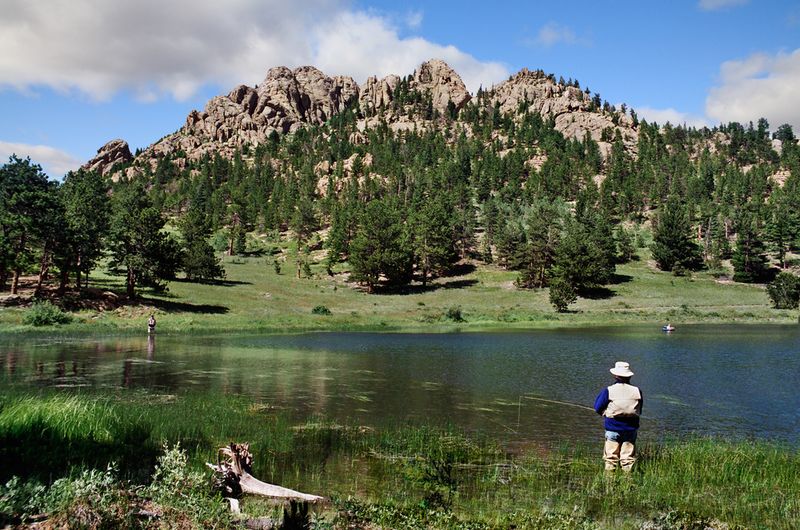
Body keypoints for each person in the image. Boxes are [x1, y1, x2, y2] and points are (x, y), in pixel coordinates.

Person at [593, 361, 642, 472]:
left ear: (615, 375)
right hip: (631, 429)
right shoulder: (637, 391)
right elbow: (639, 410)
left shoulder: (609, 390)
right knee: (628, 460)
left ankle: (609, 484)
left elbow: (597, 407)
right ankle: (628, 482)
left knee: (610, 459)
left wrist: (605, 413)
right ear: (629, 376)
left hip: (612, 429)